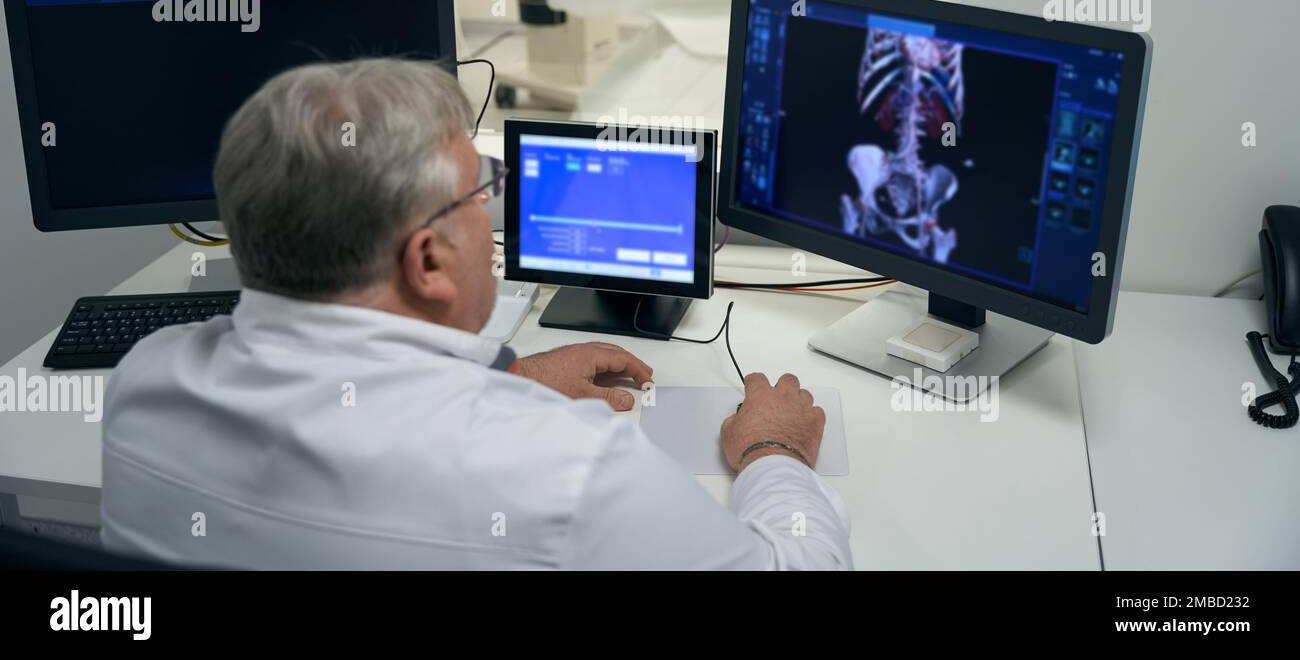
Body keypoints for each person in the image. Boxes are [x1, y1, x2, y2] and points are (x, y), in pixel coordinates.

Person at [100, 58, 852, 569]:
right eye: (480, 197)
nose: (494, 212)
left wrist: (509, 375)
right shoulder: (564, 466)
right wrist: (771, 452)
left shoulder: (145, 383)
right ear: (427, 261)